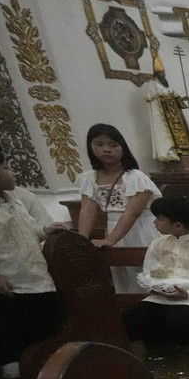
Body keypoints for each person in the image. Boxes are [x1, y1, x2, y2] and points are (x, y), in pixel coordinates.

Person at [0, 134, 64, 378]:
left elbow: (29, 227)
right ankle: (15, 377)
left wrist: (45, 230)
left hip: (33, 278)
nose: (12, 172)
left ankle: (47, 370)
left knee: (44, 324)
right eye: (6, 167)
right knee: (10, 331)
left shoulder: (14, 201)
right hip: (4, 286)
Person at [121, 196, 189, 347]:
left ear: (178, 225)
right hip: (161, 297)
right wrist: (159, 284)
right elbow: (151, 272)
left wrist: (188, 294)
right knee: (131, 320)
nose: (155, 223)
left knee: (180, 322)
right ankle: (139, 365)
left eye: (159, 219)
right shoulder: (157, 245)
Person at [74, 123, 158, 294]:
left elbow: (132, 213)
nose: (106, 150)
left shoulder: (135, 177)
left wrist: (110, 240)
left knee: (150, 275)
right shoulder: (89, 178)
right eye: (99, 144)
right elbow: (87, 211)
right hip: (113, 229)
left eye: (113, 145)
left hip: (141, 230)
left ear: (122, 147)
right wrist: (82, 241)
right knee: (125, 279)